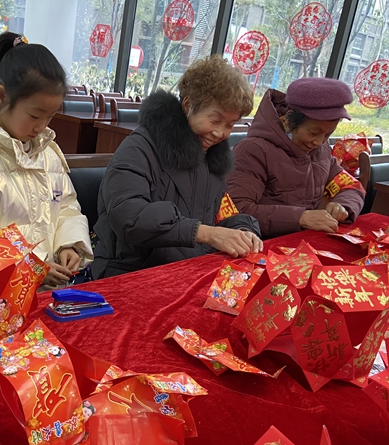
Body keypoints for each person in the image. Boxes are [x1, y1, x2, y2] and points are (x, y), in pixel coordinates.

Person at [0, 32, 92, 289]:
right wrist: (31, 267)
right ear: (2, 96)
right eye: (35, 115)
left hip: (49, 290)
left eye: (50, 116)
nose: (41, 126)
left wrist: (68, 245)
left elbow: (67, 207)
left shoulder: (47, 153)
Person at [91, 55, 262, 279]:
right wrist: (205, 234)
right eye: (214, 120)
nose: (220, 133)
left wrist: (243, 231)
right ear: (188, 105)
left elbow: (218, 216)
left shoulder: (212, 159)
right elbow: (129, 218)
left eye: (229, 125)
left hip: (186, 270)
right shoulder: (140, 148)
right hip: (131, 272)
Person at [226, 77, 366, 238]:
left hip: (305, 241)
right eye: (313, 133)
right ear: (288, 121)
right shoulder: (253, 151)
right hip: (260, 243)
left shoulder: (321, 151)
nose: (319, 141)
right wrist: (300, 218)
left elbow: (350, 186)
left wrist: (343, 205)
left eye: (328, 134)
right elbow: (237, 209)